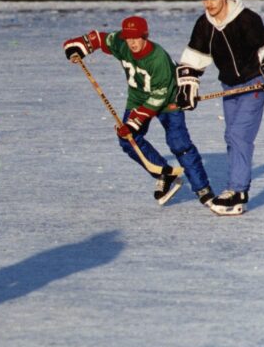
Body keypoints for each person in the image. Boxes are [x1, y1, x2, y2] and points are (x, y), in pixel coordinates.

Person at [63, 15, 214, 207]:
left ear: (145, 36)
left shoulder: (157, 58)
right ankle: (163, 174)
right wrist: (77, 46)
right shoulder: (121, 43)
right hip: (138, 97)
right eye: (128, 37)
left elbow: (158, 96)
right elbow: (99, 39)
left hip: (169, 100)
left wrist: (134, 121)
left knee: (179, 144)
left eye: (136, 37)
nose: (132, 42)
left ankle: (203, 189)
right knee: (128, 140)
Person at [175, 0, 264, 216]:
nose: (209, 3)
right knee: (231, 135)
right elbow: (194, 57)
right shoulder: (204, 25)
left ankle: (237, 192)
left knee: (239, 134)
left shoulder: (246, 19)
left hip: (254, 82)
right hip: (230, 86)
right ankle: (235, 190)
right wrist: (187, 87)